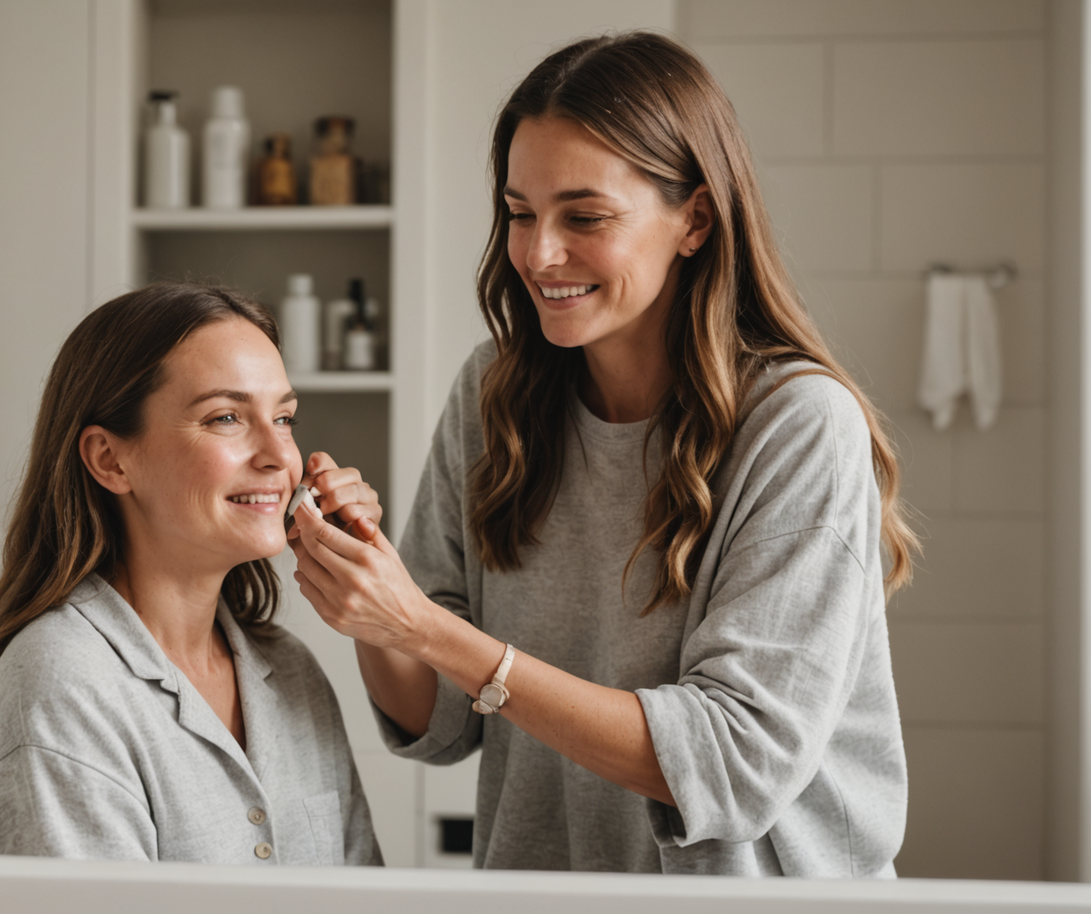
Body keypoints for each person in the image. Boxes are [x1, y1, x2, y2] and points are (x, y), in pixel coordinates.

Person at [288, 32, 914, 877]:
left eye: (584, 217)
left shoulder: (800, 427)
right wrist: (373, 600)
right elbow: (440, 721)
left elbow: (732, 766)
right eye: (519, 213)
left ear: (694, 218)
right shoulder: (494, 397)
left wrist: (428, 628)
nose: (539, 253)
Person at [0, 282, 382, 866]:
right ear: (110, 459)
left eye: (285, 417)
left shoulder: (292, 673)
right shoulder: (60, 688)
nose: (279, 455)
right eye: (226, 417)